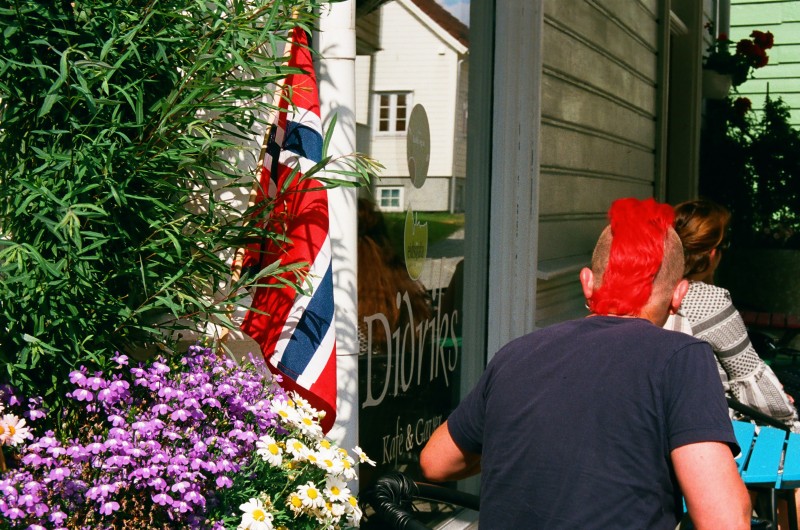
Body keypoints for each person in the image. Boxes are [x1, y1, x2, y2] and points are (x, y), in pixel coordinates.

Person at [420, 198, 751, 529]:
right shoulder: (681, 358)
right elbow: (724, 518)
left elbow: (436, 462)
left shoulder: (518, 352)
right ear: (679, 294)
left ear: (587, 282)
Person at [668, 199, 800, 433]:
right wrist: (791, 421)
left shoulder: (649, 291)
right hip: (709, 429)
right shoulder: (706, 301)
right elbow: (751, 377)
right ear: (711, 253)